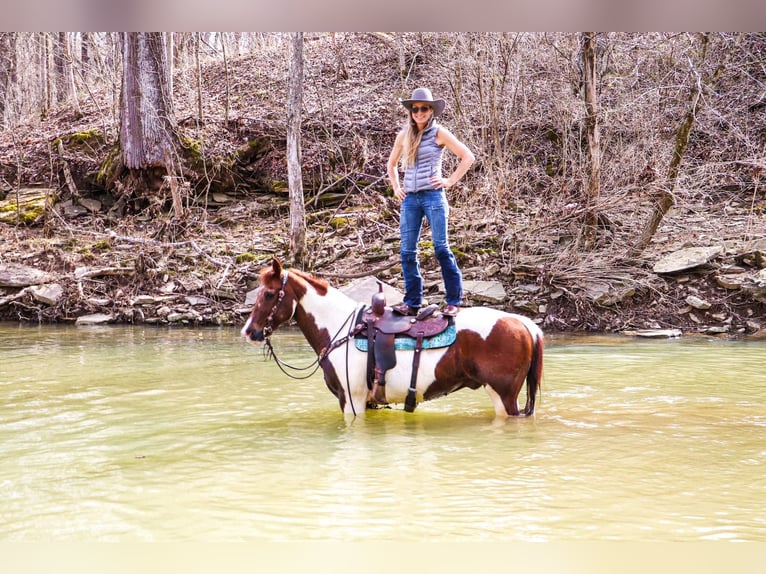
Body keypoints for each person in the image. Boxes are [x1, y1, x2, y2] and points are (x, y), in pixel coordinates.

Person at [386, 87, 475, 317]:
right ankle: (413, 302)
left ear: (431, 110)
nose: (419, 112)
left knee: (441, 248)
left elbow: (467, 157)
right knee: (407, 252)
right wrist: (396, 187)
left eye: (423, 108)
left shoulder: (439, 133)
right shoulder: (404, 135)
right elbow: (391, 164)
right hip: (410, 200)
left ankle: (454, 301)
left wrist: (449, 181)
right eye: (415, 109)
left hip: (433, 196)